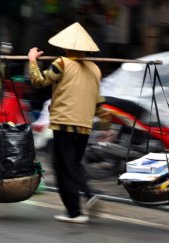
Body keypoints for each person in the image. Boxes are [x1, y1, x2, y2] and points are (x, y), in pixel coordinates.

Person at [27, 22, 110, 224]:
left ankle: (83, 202)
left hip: (64, 122)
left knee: (64, 165)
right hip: (84, 124)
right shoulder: (95, 69)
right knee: (72, 163)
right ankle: (77, 208)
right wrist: (105, 123)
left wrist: (32, 61)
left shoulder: (61, 63)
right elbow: (98, 99)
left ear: (66, 46)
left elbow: (39, 81)